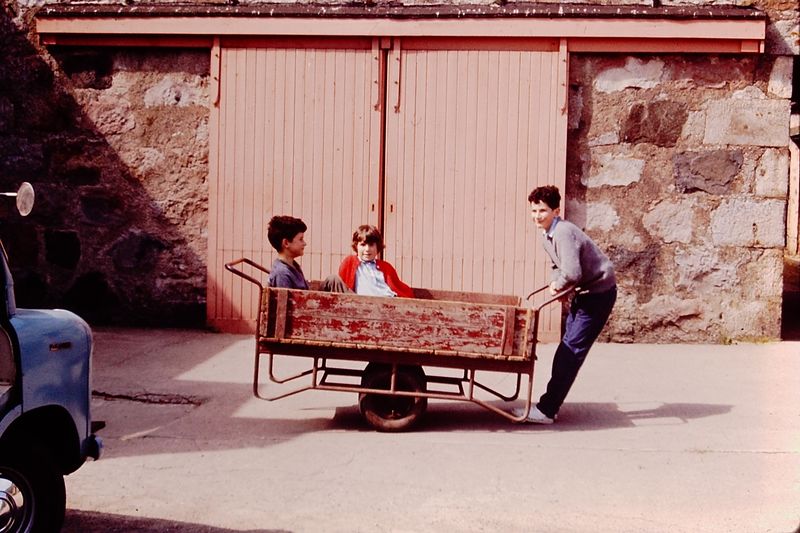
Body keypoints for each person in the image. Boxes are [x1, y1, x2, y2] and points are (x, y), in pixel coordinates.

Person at [515, 185, 617, 424]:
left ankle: (547, 410)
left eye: (543, 211)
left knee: (570, 352)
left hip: (598, 294)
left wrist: (559, 285)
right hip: (585, 292)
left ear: (556, 211)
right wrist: (557, 285)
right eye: (534, 211)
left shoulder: (562, 232)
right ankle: (549, 406)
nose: (537, 216)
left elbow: (571, 273)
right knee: (566, 350)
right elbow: (558, 267)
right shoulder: (547, 235)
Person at [336, 224, 414, 298]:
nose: (367, 249)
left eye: (371, 245)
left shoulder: (386, 267)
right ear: (356, 246)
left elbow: (399, 288)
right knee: (333, 279)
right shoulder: (350, 262)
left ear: (377, 247)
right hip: (359, 302)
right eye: (363, 245)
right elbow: (342, 287)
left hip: (386, 301)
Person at [266, 215, 309, 290]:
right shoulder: (282, 273)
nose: (305, 243)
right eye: (301, 239)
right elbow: (283, 297)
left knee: (330, 280)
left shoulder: (293, 266)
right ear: (286, 243)